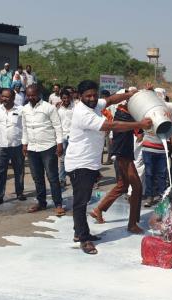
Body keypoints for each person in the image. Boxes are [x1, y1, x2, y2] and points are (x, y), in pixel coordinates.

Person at [64, 80, 152, 254]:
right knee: (81, 203)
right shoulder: (83, 113)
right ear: (79, 96)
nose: (92, 98)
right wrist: (139, 125)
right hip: (80, 163)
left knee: (84, 200)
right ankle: (84, 239)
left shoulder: (95, 105)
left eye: (94, 95)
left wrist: (132, 94)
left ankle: (79, 232)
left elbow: (111, 100)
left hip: (89, 163)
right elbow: (111, 126)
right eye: (87, 96)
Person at [90, 98, 146, 234]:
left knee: (122, 185)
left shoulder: (123, 113)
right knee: (137, 187)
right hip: (124, 156)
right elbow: (138, 125)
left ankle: (98, 209)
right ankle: (132, 224)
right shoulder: (124, 115)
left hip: (122, 154)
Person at [21, 84, 65, 217]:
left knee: (52, 177)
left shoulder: (49, 108)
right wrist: (24, 144)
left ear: (39, 93)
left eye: (33, 95)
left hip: (48, 147)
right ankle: (41, 202)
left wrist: (59, 144)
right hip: (32, 148)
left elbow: (58, 126)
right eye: (28, 95)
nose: (30, 97)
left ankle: (58, 204)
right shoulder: (24, 109)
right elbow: (24, 128)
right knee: (37, 177)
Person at [0, 89, 26, 206]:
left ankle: (19, 193)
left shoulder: (20, 110)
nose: (4, 99)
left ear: (13, 98)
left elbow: (25, 128)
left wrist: (25, 144)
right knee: (0, 172)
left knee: (19, 171)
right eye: (3, 96)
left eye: (7, 97)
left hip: (17, 146)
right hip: (1, 146)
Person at [57, 88, 74, 187]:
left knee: (72, 158)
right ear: (61, 98)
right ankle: (62, 179)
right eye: (63, 98)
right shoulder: (58, 109)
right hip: (62, 136)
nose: (66, 100)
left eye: (67, 98)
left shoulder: (75, 107)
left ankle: (73, 178)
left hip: (73, 136)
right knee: (62, 159)